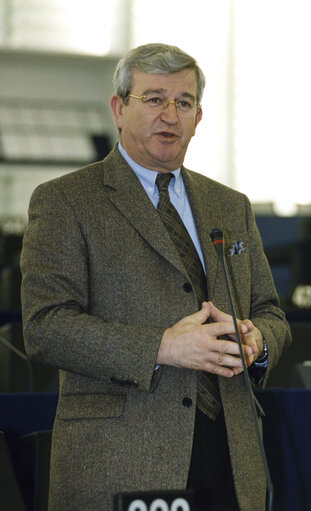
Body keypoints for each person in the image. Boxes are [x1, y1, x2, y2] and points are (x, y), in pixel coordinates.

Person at [20, 43, 291, 511]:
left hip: (231, 453)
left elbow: (270, 311)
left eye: (183, 103)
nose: (170, 114)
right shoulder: (65, 201)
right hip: (122, 455)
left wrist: (257, 342)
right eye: (154, 98)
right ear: (119, 109)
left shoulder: (231, 206)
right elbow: (45, 328)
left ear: (198, 118)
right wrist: (163, 347)